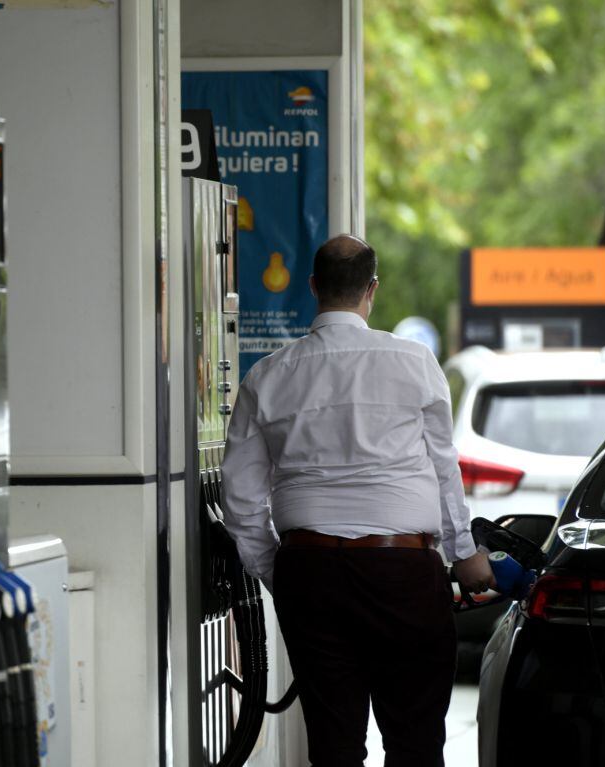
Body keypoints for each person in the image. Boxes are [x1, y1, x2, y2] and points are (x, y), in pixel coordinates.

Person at [221, 234, 494, 767]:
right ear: (372, 290)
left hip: (310, 573)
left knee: (333, 744)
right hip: (405, 572)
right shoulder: (415, 363)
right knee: (416, 742)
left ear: (313, 288)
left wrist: (283, 573)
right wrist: (466, 556)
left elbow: (241, 499)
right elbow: (444, 470)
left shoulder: (267, 376)